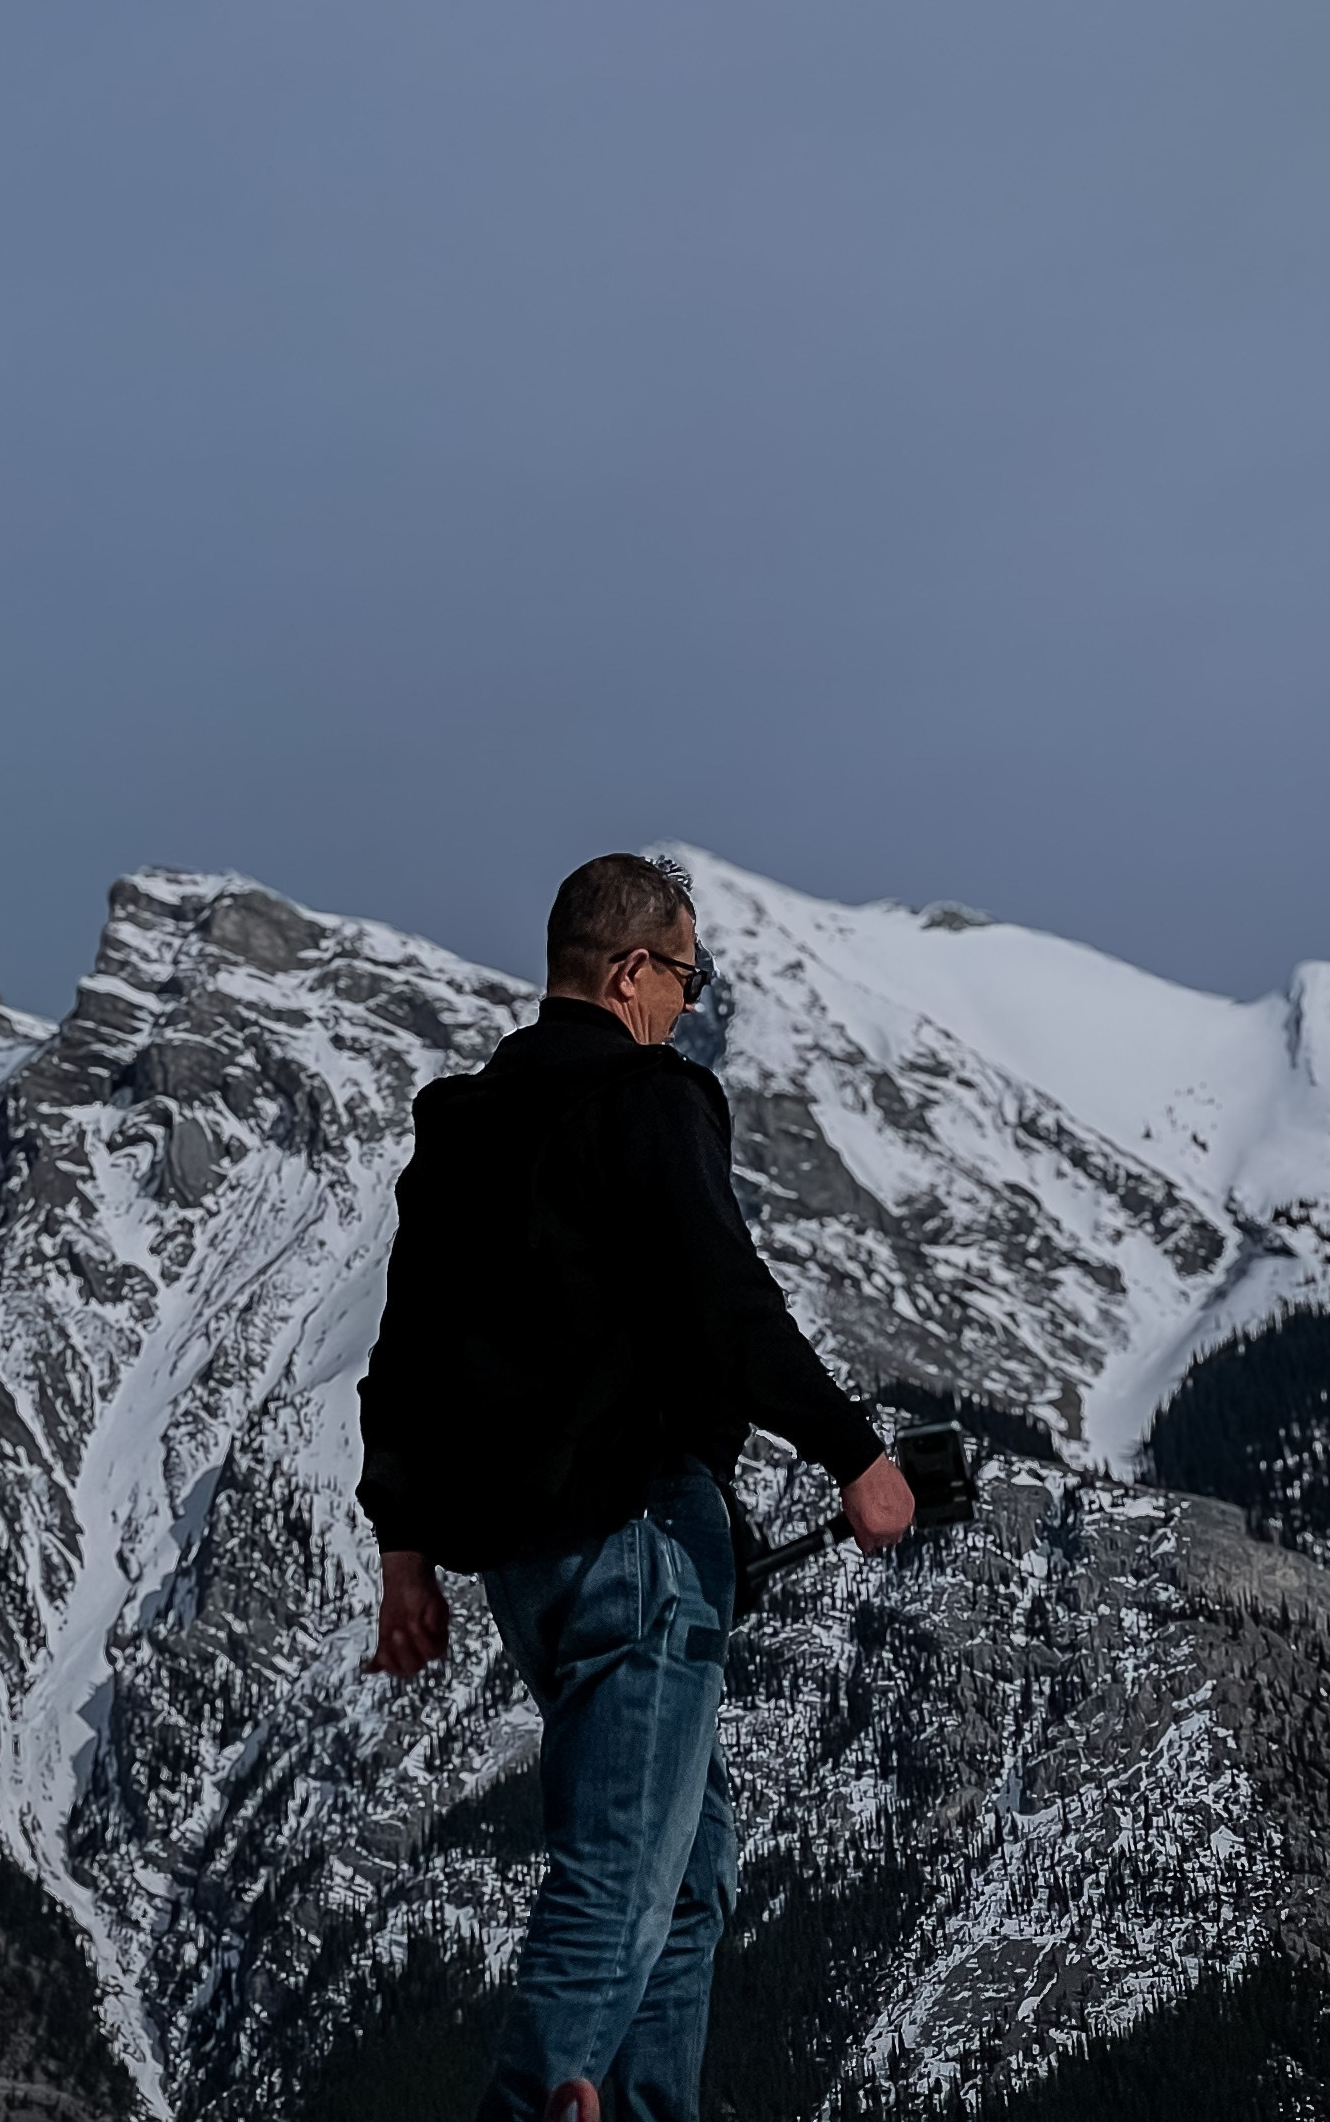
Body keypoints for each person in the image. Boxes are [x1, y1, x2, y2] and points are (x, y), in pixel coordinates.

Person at [357, 852, 916, 2122]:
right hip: (644, 1540)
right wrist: (855, 1455)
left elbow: (403, 1359)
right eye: (685, 980)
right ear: (629, 972)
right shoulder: (650, 1098)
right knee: (618, 1876)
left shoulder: (465, 1125)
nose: (686, 1006)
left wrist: (405, 1551)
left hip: (526, 1567)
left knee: (692, 1870)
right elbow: (724, 1301)